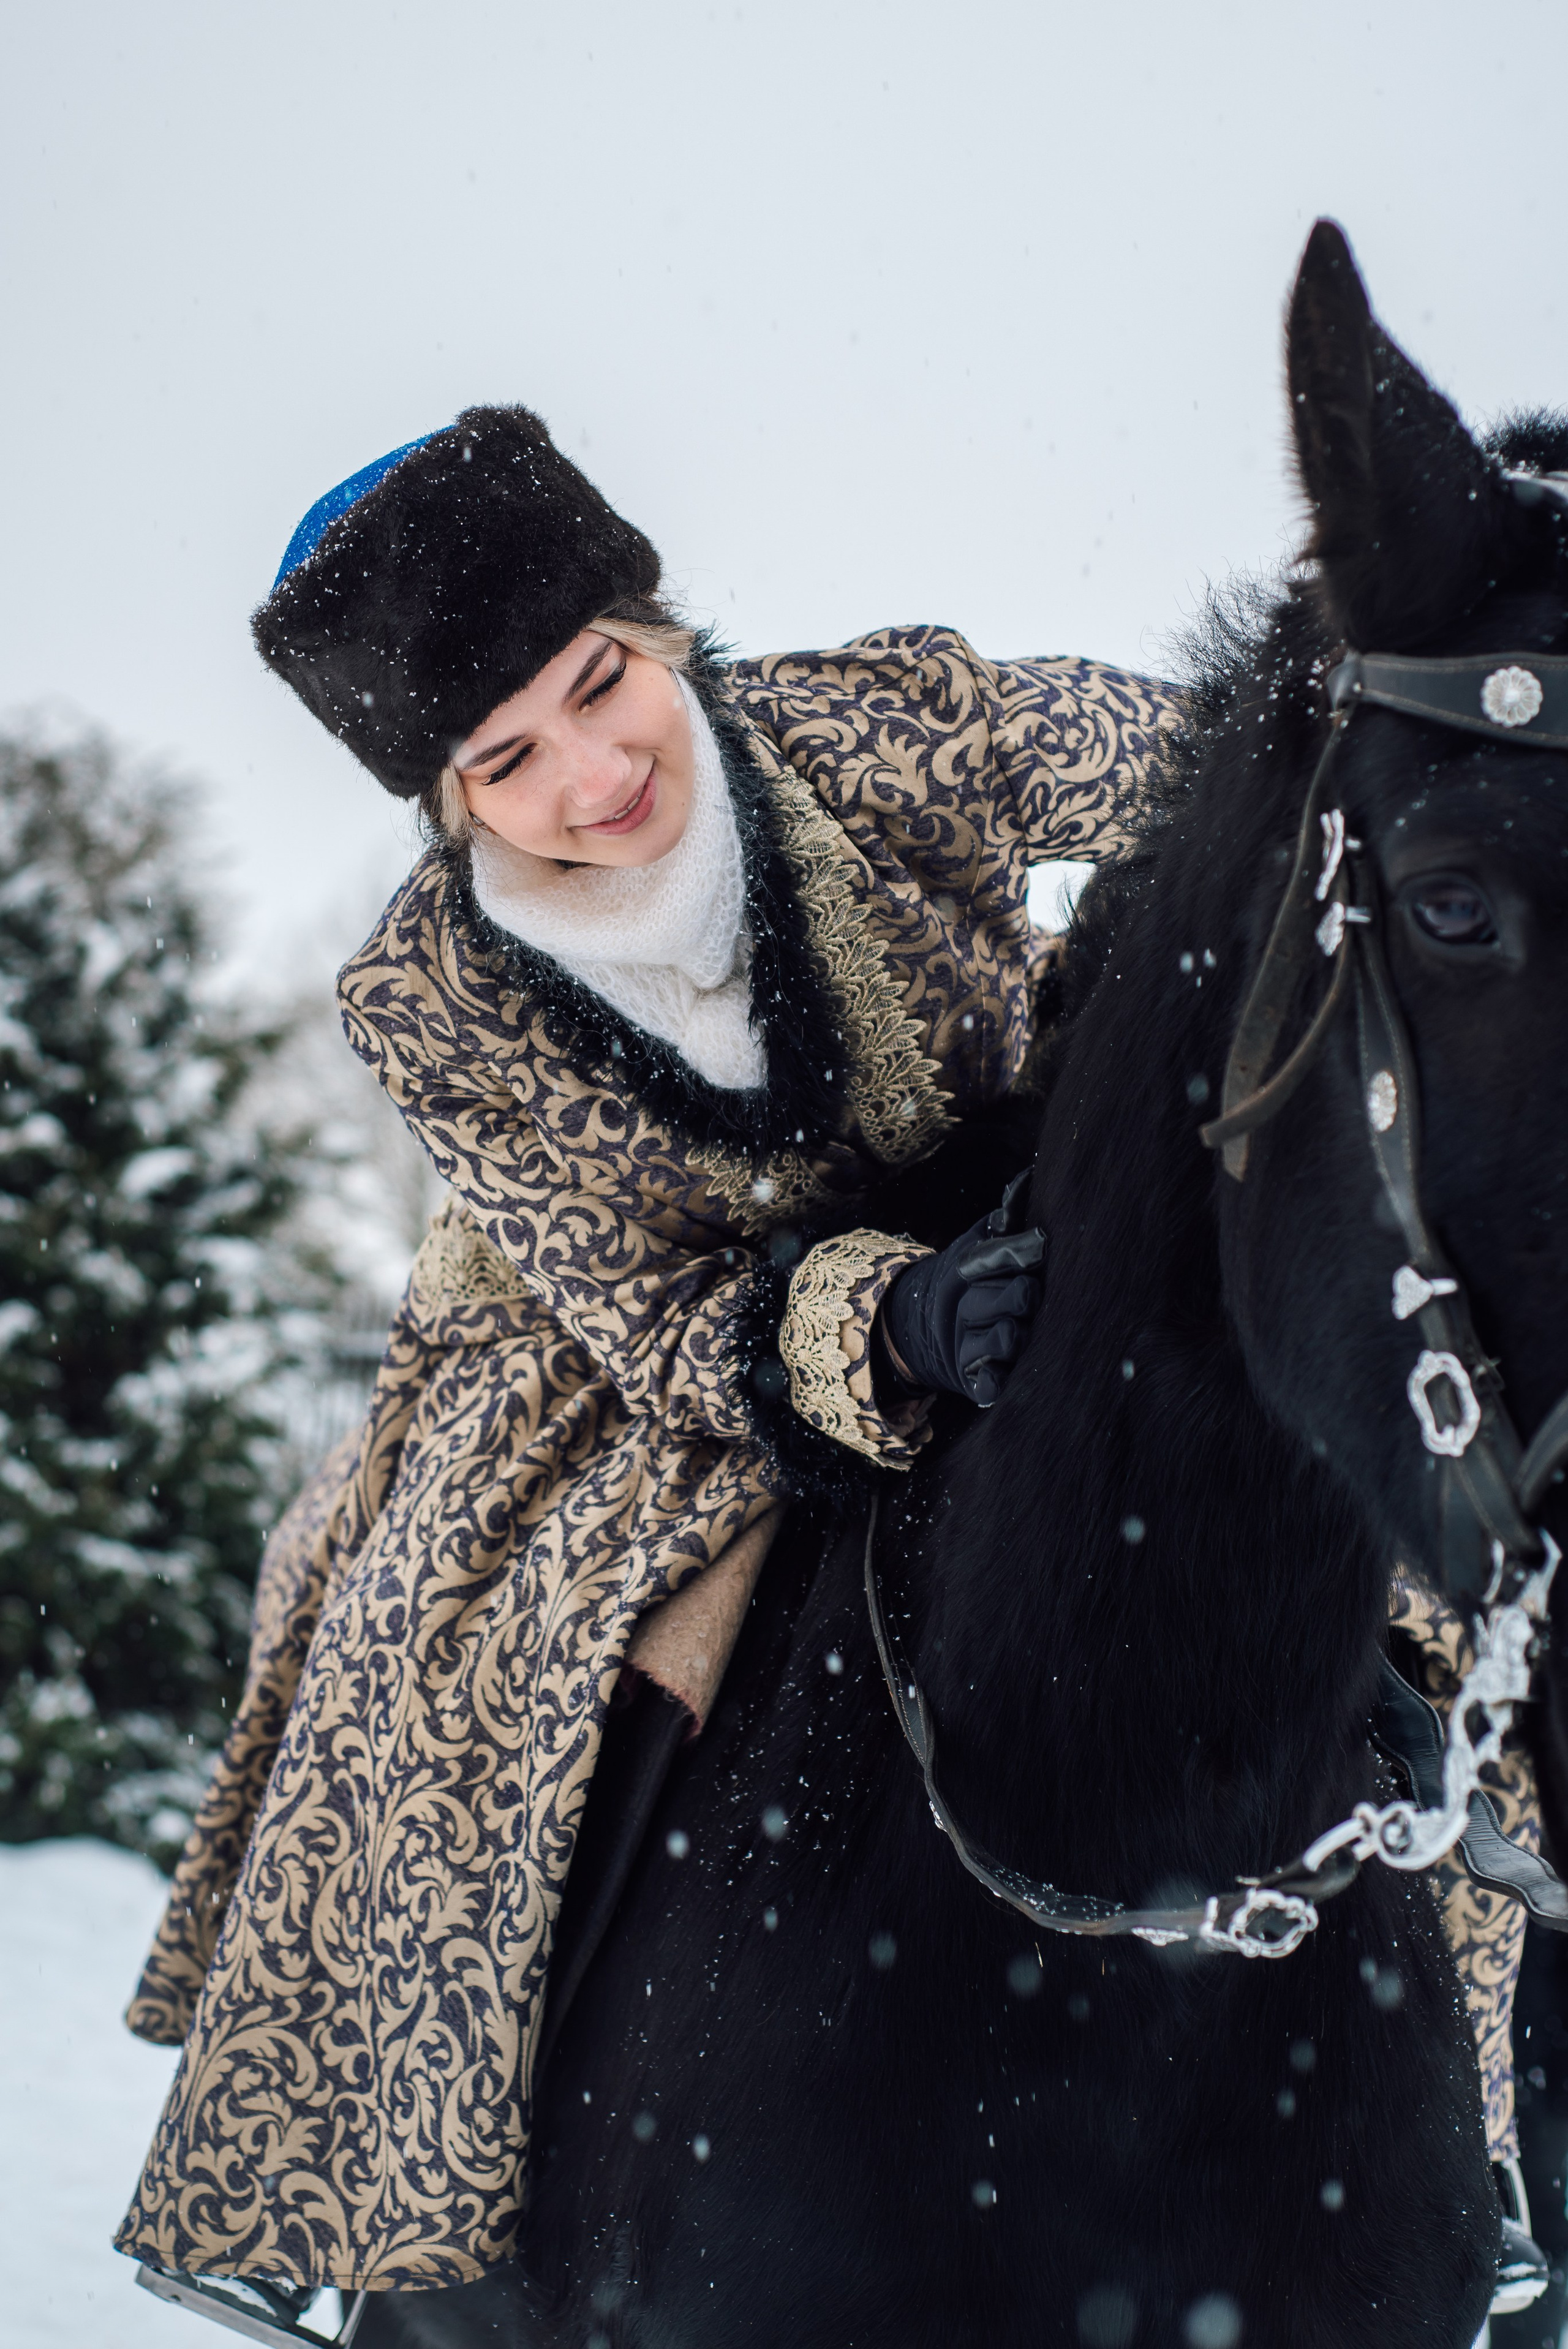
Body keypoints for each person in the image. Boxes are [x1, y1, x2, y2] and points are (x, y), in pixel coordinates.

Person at [112, 407, 1540, 2321]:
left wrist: (1372, 706)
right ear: (451, 801)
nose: (593, 771)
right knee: (445, 1650)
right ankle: (426, 2186)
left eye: (601, 685)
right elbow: (640, 1297)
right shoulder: (428, 995)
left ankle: (1495, 2122)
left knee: (1400, 1578)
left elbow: (1210, 766)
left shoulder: (865, 723)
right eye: (505, 758)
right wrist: (872, 1322)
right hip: (625, 1341)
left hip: (1002, 1187)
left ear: (657, 633)